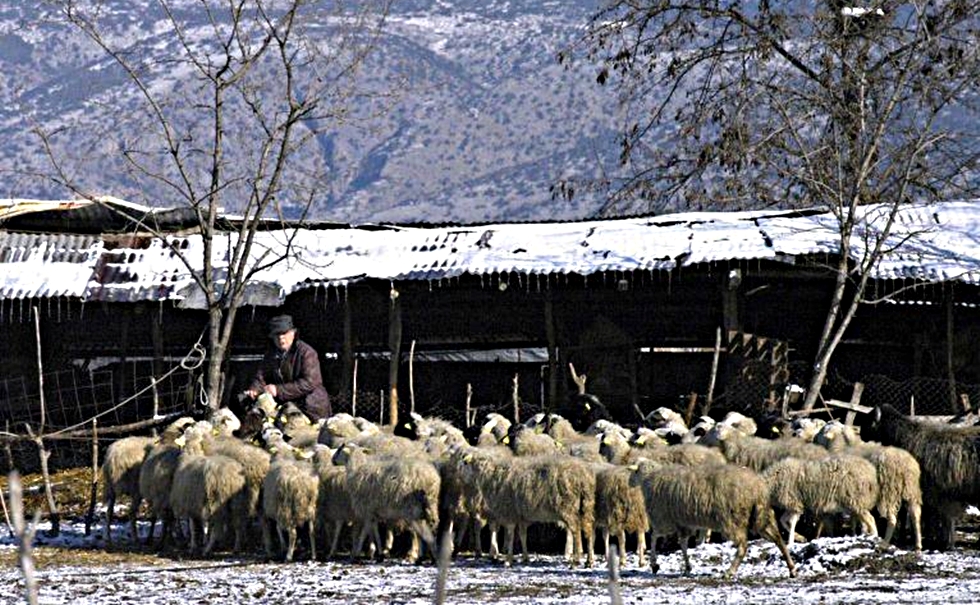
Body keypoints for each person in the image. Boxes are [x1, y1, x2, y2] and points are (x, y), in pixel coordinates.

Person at [244, 314, 331, 421]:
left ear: (293, 333)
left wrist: (278, 390)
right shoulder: (271, 355)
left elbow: (310, 382)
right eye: (277, 334)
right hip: (287, 409)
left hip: (312, 409)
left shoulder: (307, 353)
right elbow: (262, 375)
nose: (281, 338)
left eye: (284, 333)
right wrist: (255, 389)